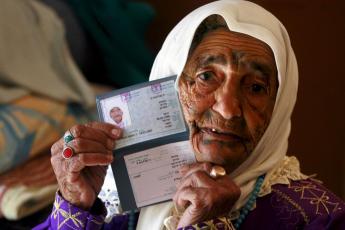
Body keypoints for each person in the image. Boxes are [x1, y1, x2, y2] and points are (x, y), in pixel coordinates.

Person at [34, 0, 345, 229]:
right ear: (169, 81)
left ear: (280, 104)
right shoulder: (114, 198)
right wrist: (74, 206)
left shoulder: (317, 217)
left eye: (255, 87)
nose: (227, 108)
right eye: (206, 77)